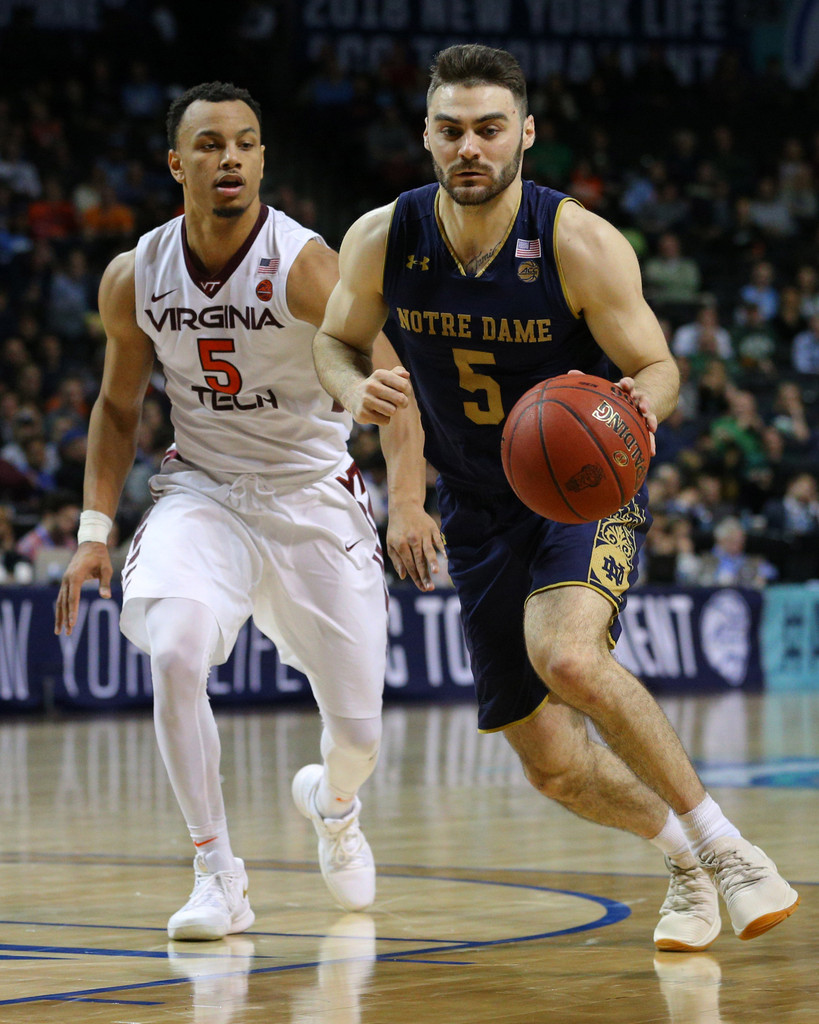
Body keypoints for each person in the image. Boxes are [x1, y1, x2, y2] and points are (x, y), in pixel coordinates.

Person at [310, 44, 799, 952]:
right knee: (552, 767)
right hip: (473, 504)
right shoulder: (383, 235)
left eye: (490, 129)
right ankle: (682, 862)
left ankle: (728, 850)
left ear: (524, 133)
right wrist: (351, 393)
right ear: (424, 135)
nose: (470, 147)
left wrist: (627, 414)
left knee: (566, 658)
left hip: (581, 490)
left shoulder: (576, 241)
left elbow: (659, 365)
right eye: (451, 129)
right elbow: (337, 342)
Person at [54, 82, 390, 941]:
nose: (229, 157)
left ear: (264, 158)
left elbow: (392, 379)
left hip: (313, 496)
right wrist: (94, 533)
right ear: (178, 164)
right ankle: (218, 873)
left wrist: (414, 502)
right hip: (203, 491)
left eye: (245, 142)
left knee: (356, 733)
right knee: (173, 650)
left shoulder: (307, 263)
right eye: (208, 145)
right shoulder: (135, 274)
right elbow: (119, 410)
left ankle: (334, 802)